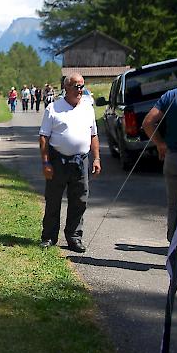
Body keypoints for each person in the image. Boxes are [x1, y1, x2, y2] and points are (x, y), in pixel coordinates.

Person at [38, 73, 101, 253]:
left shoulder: (88, 107)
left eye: (82, 86)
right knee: (53, 200)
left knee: (80, 201)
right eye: (76, 86)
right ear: (66, 87)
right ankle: (49, 236)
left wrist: (96, 158)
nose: (79, 90)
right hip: (58, 160)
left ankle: (74, 237)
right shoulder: (53, 108)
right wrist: (45, 163)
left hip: (81, 161)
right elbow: (44, 137)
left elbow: (93, 135)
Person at [143, 57, 177, 248]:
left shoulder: (172, 95)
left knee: (175, 203)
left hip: (174, 157)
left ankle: (176, 243)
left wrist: (160, 144)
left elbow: (148, 122)